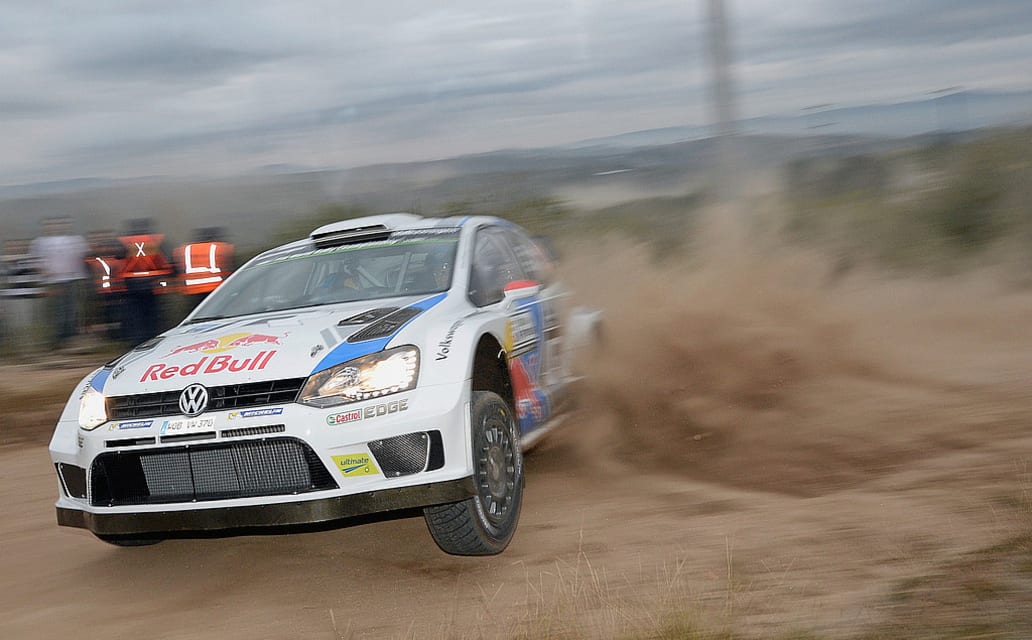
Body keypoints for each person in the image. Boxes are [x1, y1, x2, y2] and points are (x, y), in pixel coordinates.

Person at [29, 217, 89, 350]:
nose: (55, 227)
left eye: (60, 224)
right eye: (50, 225)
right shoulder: (39, 243)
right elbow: (34, 260)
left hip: (72, 279)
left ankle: (71, 336)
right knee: (57, 310)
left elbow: (84, 256)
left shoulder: (76, 240)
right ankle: (58, 338)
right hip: (53, 281)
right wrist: (44, 271)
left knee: (72, 309)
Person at [118, 218, 175, 345]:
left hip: (131, 284)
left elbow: (118, 260)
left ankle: (138, 341)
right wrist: (168, 276)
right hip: (153, 283)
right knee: (154, 312)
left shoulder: (123, 242)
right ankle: (154, 339)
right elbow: (168, 260)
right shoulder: (158, 240)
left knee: (135, 314)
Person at [173, 227, 234, 310]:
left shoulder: (183, 250)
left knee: (198, 313)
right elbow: (230, 268)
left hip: (192, 291)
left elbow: (177, 270)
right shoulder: (221, 247)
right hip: (216, 288)